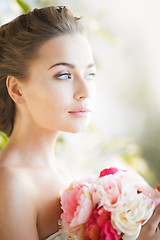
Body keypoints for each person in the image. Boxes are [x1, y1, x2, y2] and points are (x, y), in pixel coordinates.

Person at [0, 6, 159, 240]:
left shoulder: (70, 173)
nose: (85, 92)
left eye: (90, 75)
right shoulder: (10, 184)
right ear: (16, 89)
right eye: (64, 75)